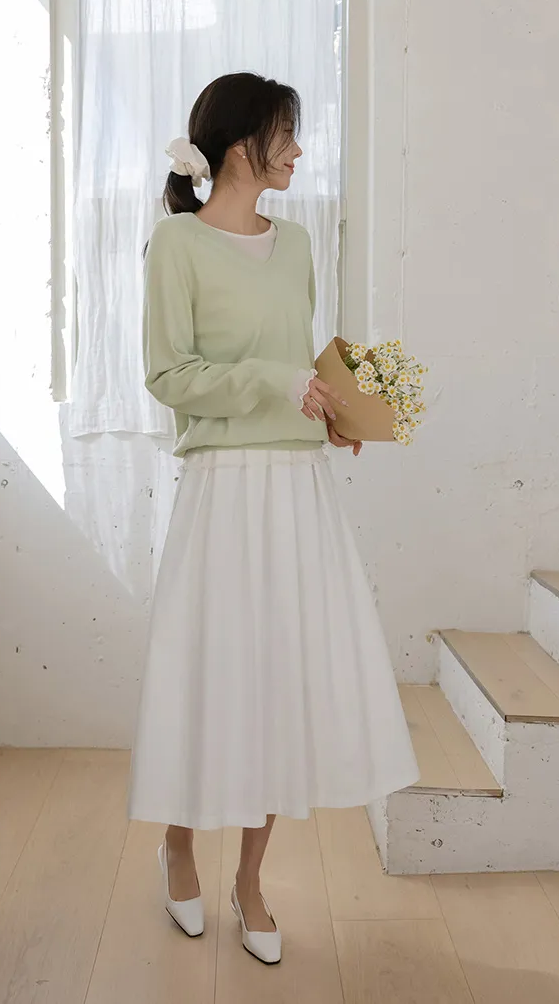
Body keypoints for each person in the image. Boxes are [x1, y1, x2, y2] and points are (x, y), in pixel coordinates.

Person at [127, 72, 419, 965]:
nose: (297, 150)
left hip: (297, 487)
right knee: (212, 673)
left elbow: (299, 360)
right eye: (285, 134)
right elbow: (169, 377)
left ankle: (250, 880)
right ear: (238, 145)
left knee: (280, 680)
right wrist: (275, 383)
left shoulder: (296, 244)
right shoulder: (176, 243)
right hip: (223, 488)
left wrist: (337, 414)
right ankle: (179, 843)